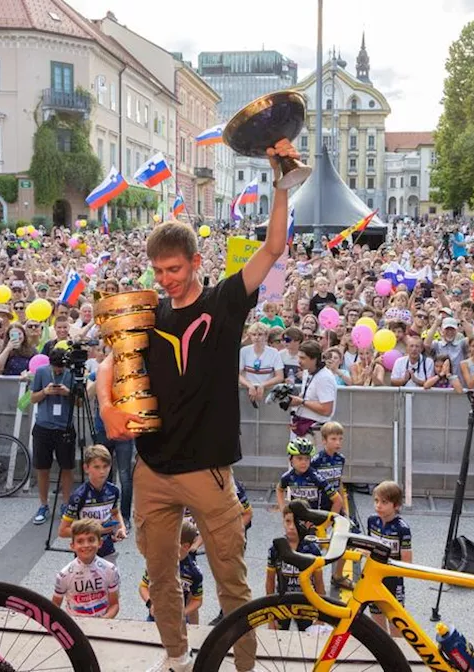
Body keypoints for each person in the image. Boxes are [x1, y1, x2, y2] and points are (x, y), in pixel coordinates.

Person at [96, 141, 298, 672]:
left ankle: (245, 666)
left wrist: (281, 187)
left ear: (195, 262)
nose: (165, 279)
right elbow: (108, 366)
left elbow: (273, 247)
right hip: (153, 469)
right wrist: (107, 408)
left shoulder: (224, 302)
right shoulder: (147, 315)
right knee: (160, 576)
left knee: (231, 578)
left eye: (174, 269)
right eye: (158, 271)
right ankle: (176, 658)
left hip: (209, 473)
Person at [58, 445, 127, 562]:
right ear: (86, 468)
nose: (102, 471)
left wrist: (121, 528)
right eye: (97, 467)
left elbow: (115, 512)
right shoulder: (79, 496)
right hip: (85, 554)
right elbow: (63, 531)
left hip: (108, 550)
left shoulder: (113, 491)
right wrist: (93, 530)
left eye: (106, 466)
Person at [30, 348, 76, 525]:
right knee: (42, 468)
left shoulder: (71, 374)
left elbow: (80, 401)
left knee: (67, 467)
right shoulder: (41, 372)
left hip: (65, 426)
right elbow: (33, 398)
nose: (58, 371)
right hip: (43, 426)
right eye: (56, 368)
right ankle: (43, 504)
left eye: (61, 369)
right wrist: (45, 392)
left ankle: (66, 503)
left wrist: (68, 393)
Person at [266, 504, 324, 631]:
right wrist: (271, 617)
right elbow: (270, 581)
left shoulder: (312, 549)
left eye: (296, 522)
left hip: (306, 603)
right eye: (288, 521)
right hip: (282, 603)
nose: (292, 527)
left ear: (306, 523)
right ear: (283, 522)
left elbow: (319, 584)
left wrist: (321, 616)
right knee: (279, 639)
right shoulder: (276, 548)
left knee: (308, 640)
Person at [366, 480, 411, 637]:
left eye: (384, 502)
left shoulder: (402, 528)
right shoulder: (372, 521)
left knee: (395, 626)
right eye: (376, 501)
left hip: (393, 581)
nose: (378, 505)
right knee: (377, 626)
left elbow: (407, 562)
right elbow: (369, 548)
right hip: (374, 578)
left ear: (396, 505)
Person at [138, 520, 203, 626]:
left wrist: (184, 613)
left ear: (185, 546)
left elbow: (197, 600)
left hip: (179, 620)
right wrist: (150, 603)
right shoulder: (157, 562)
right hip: (155, 617)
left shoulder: (194, 572)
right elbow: (143, 587)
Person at [52, 518, 121, 619]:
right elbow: (54, 607)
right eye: (80, 541)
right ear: (72, 546)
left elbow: (114, 605)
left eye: (91, 540)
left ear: (100, 543)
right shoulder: (64, 575)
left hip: (103, 623)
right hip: (76, 627)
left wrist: (102, 623)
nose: (86, 545)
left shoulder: (110, 569)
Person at [311, 421, 352, 590]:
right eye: (334, 439)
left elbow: (339, 482)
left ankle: (337, 575)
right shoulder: (316, 461)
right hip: (320, 505)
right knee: (315, 543)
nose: (338, 443)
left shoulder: (340, 459)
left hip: (337, 504)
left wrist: (344, 506)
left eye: (340, 439)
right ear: (324, 441)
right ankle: (312, 577)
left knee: (346, 538)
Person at [276, 437, 342, 514]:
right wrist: (283, 510)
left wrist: (327, 523)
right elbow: (279, 489)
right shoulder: (287, 477)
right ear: (290, 459)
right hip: (296, 518)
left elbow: (338, 501)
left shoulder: (316, 478)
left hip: (314, 519)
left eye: (307, 459)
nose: (304, 462)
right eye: (299, 458)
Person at [289, 341, 337, 438]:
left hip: (315, 430)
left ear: (314, 359)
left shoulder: (324, 377)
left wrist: (302, 402)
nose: (299, 361)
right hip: (301, 425)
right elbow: (308, 396)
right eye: (299, 357)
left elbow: (326, 410)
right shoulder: (307, 372)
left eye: (303, 358)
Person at [238, 323, 283, 406]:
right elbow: (238, 374)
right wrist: (249, 385)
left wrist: (263, 385)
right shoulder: (244, 351)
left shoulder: (274, 352)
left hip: (267, 393)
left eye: (260, 334)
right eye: (254, 334)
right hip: (247, 392)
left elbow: (280, 377)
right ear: (250, 336)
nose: (257, 337)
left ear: (266, 336)